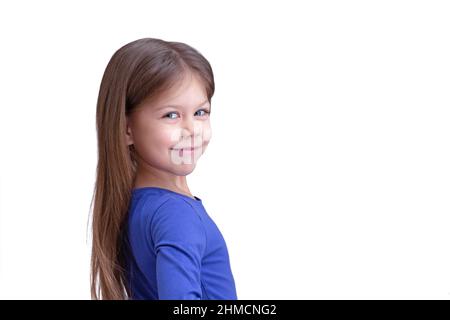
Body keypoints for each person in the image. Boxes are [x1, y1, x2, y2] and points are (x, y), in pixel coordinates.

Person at [90, 37, 238, 300]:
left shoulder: (138, 206)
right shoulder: (175, 213)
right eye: (171, 115)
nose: (192, 130)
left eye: (201, 112)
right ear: (127, 129)